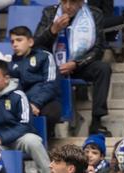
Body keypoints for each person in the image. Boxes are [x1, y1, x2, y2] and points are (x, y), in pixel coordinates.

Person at [34, 0, 112, 135]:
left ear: (81, 2)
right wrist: (53, 30)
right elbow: (36, 47)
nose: (68, 6)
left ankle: (96, 121)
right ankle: (51, 124)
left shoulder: (94, 14)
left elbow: (99, 49)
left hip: (80, 66)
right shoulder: (50, 13)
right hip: (54, 66)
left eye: (73, 2)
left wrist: (77, 63)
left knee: (103, 68)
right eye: (65, 2)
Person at [0, 60, 51, 173]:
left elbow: (25, 125)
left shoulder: (19, 96)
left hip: (19, 138)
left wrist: (2, 138)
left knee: (33, 141)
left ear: (6, 79)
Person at [8, 26, 61, 140]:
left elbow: (51, 84)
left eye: (19, 40)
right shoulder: (11, 64)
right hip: (23, 103)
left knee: (51, 112)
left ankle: (47, 139)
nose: (15, 44)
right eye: (12, 41)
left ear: (30, 42)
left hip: (45, 100)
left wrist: (36, 103)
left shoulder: (45, 56)